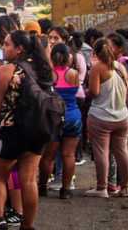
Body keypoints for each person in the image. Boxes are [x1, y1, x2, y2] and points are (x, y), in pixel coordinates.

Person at [0, 30, 52, 230]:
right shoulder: (41, 69)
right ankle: (28, 224)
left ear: (19, 49)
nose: (3, 48)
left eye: (7, 44)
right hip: (37, 131)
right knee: (29, 179)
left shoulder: (7, 70)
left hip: (9, 131)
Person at [84, 39, 128, 198]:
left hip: (101, 116)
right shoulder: (121, 67)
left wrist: (86, 91)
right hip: (122, 116)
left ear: (95, 53)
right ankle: (126, 187)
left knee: (101, 151)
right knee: (122, 151)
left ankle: (102, 187)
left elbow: (94, 92)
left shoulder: (97, 68)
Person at [37, 44, 81, 199]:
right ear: (68, 57)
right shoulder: (73, 73)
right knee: (69, 154)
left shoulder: (49, 75)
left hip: (53, 116)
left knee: (48, 156)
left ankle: (42, 186)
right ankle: (66, 190)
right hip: (72, 114)